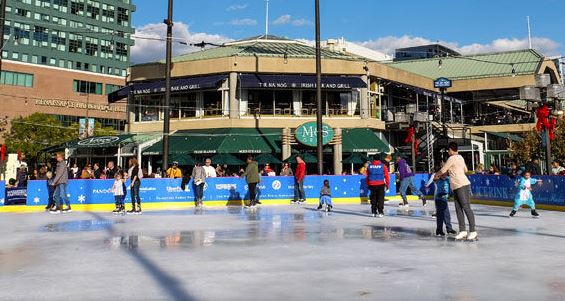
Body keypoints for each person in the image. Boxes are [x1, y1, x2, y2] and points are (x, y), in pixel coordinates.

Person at [436, 142, 477, 241]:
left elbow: (443, 169)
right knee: (458, 208)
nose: (448, 152)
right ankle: (462, 230)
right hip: (457, 185)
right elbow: (466, 170)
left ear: (450, 150)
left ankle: (473, 231)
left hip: (461, 185)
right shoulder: (460, 157)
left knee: (466, 207)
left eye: (448, 150)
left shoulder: (452, 158)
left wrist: (436, 175)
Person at [426, 167, 457, 236]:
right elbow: (434, 178)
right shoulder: (437, 180)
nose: (444, 174)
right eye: (443, 173)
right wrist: (438, 175)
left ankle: (449, 229)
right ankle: (439, 230)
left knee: (447, 215)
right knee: (440, 215)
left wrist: (451, 194)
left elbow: (450, 187)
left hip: (445, 200)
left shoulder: (448, 179)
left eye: (446, 173)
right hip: (439, 199)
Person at [367, 153, 390, 218]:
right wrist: (387, 185)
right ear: (379, 159)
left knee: (373, 198)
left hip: (372, 184)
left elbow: (367, 176)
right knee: (380, 198)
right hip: (380, 184)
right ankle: (380, 212)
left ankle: (373, 212)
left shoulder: (369, 166)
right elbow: (386, 176)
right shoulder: (383, 166)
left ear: (373, 159)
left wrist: (368, 184)